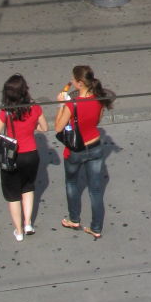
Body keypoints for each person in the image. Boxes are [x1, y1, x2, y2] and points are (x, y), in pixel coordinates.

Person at [55, 64, 115, 239]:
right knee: (95, 191)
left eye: (73, 80)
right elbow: (96, 121)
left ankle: (74, 219)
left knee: (71, 183)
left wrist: (61, 105)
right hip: (95, 146)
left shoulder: (72, 104)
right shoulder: (98, 98)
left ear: (80, 83)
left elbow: (58, 128)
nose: (71, 82)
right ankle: (96, 227)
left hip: (76, 149)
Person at [0, 74, 48, 242]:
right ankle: (28, 224)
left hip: (12, 157)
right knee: (28, 188)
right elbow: (44, 128)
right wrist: (30, 125)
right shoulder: (34, 108)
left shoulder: (5, 112)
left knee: (13, 195)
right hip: (31, 155)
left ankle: (18, 231)